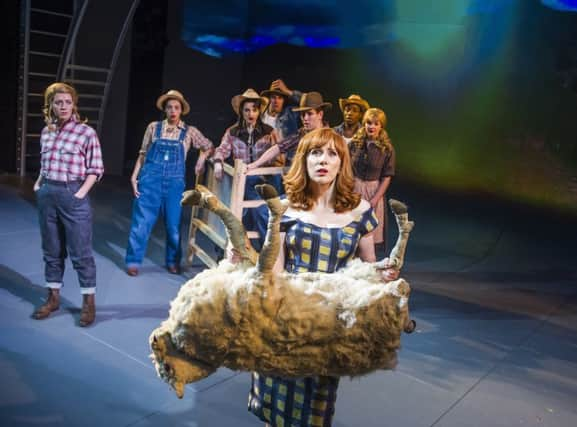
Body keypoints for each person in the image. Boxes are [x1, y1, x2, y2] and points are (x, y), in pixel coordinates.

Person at [245, 128, 400, 426]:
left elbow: (367, 270)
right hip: (284, 323)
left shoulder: (360, 212)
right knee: (274, 412)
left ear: (342, 163)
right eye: (315, 152)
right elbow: (274, 272)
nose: (323, 160)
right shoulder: (284, 209)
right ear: (303, 160)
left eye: (332, 153)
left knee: (315, 412)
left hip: (326, 329)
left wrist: (384, 275)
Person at [32, 82, 104, 327]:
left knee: (81, 253)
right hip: (48, 194)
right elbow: (45, 163)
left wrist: (80, 194)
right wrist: (39, 183)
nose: (63, 106)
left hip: (73, 193)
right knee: (51, 251)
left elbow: (95, 168)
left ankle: (88, 303)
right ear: (51, 105)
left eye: (67, 102)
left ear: (74, 104)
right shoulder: (47, 131)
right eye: (58, 102)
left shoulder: (86, 133)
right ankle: (53, 298)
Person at [125, 90, 213, 276]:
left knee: (173, 226)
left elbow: (208, 146)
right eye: (170, 107)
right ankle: (133, 261)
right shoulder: (153, 128)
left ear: (182, 110)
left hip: (174, 183)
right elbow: (143, 154)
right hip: (150, 181)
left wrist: (201, 159)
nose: (173, 110)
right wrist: (134, 177)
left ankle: (173, 261)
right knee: (141, 223)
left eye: (177, 107)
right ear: (165, 109)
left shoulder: (189, 131)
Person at [212, 88, 279, 250]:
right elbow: (222, 149)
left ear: (259, 111)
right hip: (241, 181)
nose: (251, 114)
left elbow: (279, 152)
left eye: (254, 110)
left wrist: (271, 164)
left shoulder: (269, 132)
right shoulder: (233, 132)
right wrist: (218, 162)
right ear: (241, 111)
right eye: (247, 110)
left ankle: (267, 251)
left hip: (263, 181)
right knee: (241, 213)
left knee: (260, 211)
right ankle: (228, 250)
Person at [246, 91, 331, 171]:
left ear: (320, 114)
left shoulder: (332, 137)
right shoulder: (300, 134)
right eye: (302, 114)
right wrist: (255, 164)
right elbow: (278, 148)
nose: (305, 118)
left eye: (309, 114)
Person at [349, 108, 395, 252]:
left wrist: (375, 198)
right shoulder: (354, 144)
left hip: (373, 190)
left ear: (381, 126)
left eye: (376, 123)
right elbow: (346, 168)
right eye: (369, 123)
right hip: (354, 189)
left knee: (370, 232)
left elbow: (387, 176)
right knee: (351, 228)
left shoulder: (387, 149)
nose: (372, 127)